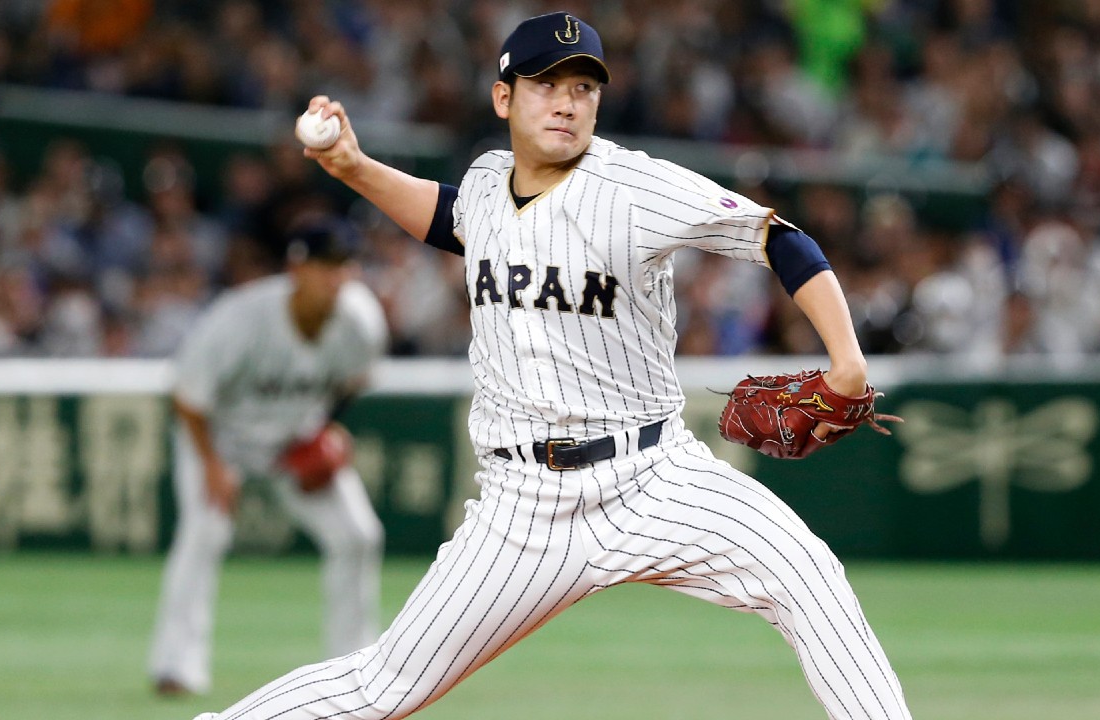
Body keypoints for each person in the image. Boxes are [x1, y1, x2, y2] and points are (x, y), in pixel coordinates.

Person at [193, 11, 911, 720]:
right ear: (504, 97)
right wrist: (351, 166)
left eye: (584, 87)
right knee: (383, 687)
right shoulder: (485, 181)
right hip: (522, 507)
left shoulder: (633, 188)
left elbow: (778, 238)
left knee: (808, 577)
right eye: (546, 83)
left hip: (653, 478)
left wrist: (846, 363)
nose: (567, 101)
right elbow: (451, 218)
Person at [151, 219, 387, 697]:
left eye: (343, 266)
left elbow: (355, 379)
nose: (334, 278)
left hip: (291, 441)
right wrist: (213, 466)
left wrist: (328, 427)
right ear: (296, 269)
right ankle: (177, 666)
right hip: (221, 440)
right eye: (323, 266)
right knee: (204, 533)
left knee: (359, 534)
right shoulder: (242, 317)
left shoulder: (361, 322)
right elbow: (188, 397)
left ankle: (355, 666)